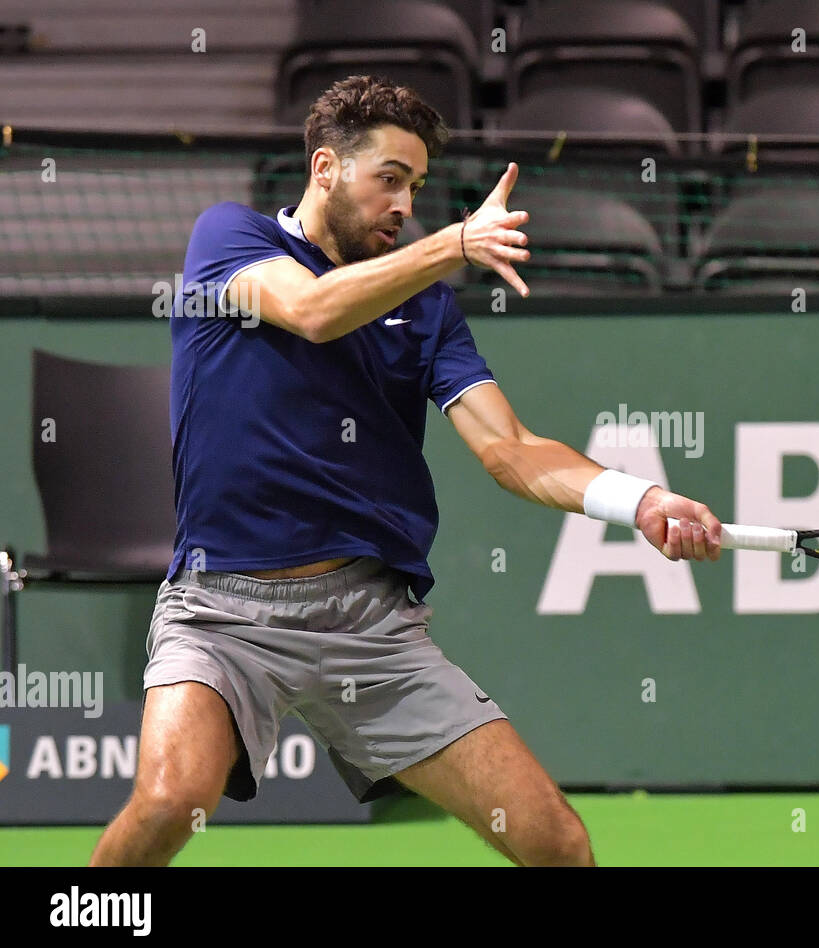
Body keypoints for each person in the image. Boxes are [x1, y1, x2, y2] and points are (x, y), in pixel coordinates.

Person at [89, 74, 722, 867]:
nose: (405, 204)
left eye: (416, 187)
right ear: (325, 169)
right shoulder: (230, 239)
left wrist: (644, 500)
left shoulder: (426, 310)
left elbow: (513, 451)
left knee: (555, 840)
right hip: (223, 612)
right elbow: (315, 312)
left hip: (370, 626)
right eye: (389, 179)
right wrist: (454, 244)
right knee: (167, 802)